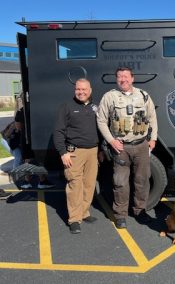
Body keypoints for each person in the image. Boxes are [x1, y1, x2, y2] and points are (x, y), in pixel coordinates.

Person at [97, 67, 158, 229]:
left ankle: (140, 211)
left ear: (132, 78)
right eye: (119, 77)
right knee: (120, 182)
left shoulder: (143, 96)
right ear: (116, 80)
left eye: (125, 76)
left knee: (142, 181)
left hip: (141, 146)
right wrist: (111, 141)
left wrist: (153, 138)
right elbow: (101, 121)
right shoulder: (110, 97)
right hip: (121, 148)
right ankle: (121, 215)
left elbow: (152, 117)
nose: (122, 79)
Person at [53, 78, 100, 234]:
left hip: (93, 152)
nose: (81, 92)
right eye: (78, 89)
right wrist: (63, 152)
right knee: (75, 185)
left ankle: (84, 212)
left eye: (84, 89)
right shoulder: (67, 107)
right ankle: (74, 219)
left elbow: (100, 129)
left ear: (90, 90)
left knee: (89, 184)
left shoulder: (95, 107)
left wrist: (100, 151)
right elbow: (58, 131)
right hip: (74, 153)